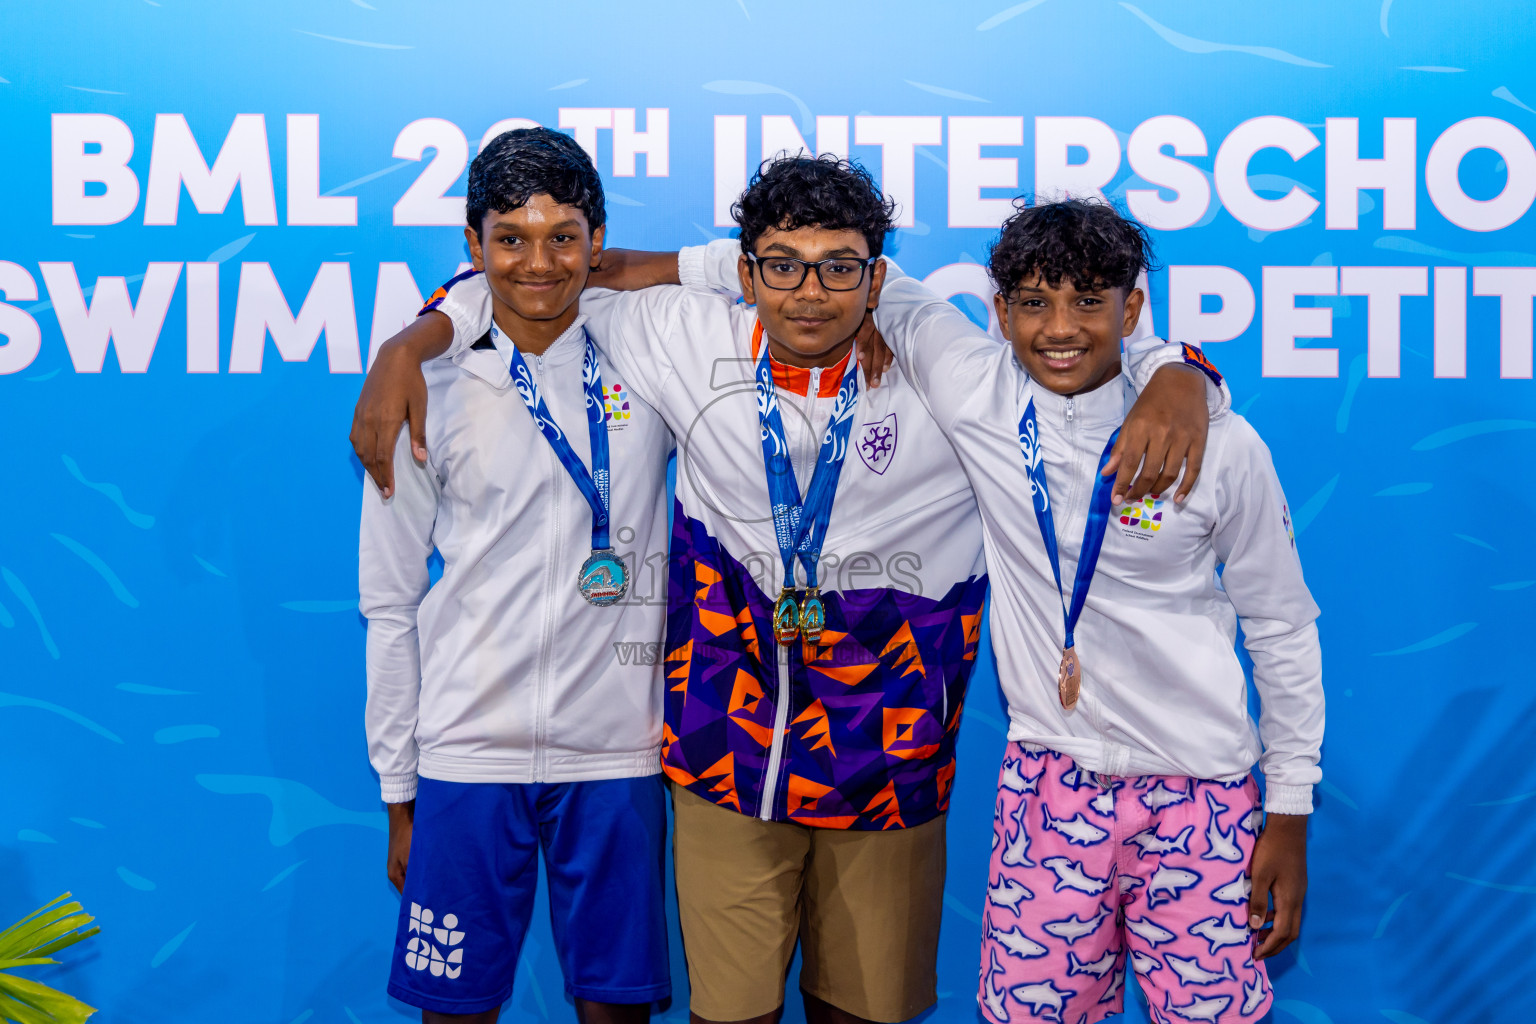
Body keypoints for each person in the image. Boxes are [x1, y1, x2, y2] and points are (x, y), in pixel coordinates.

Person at [352, 155, 1216, 1024]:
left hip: (889, 766)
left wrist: (1177, 369)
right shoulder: (680, 338)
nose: (811, 292)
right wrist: (410, 341)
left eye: (841, 268)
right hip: (725, 760)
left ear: (877, 277)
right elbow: (533, 285)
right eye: (781, 266)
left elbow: (1071, 348)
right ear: (746, 270)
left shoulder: (937, 363)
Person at [870, 198, 1323, 1023]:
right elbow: (870, 279)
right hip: (1049, 783)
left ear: (1133, 308)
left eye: (1089, 300)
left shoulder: (1222, 446)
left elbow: (1282, 625)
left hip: (1202, 794)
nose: (1060, 327)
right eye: (1035, 303)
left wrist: (1289, 808)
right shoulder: (976, 391)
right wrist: (644, 270)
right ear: (1000, 312)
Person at [358, 127, 673, 1024]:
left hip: (617, 753)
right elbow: (387, 603)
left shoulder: (649, 349)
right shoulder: (428, 383)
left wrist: (414, 332)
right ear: (473, 246)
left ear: (597, 240)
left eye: (563, 237)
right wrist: (399, 789)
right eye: (510, 239)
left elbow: (753, 276)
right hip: (465, 758)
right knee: (454, 1013)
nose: (538, 263)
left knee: (618, 1012)